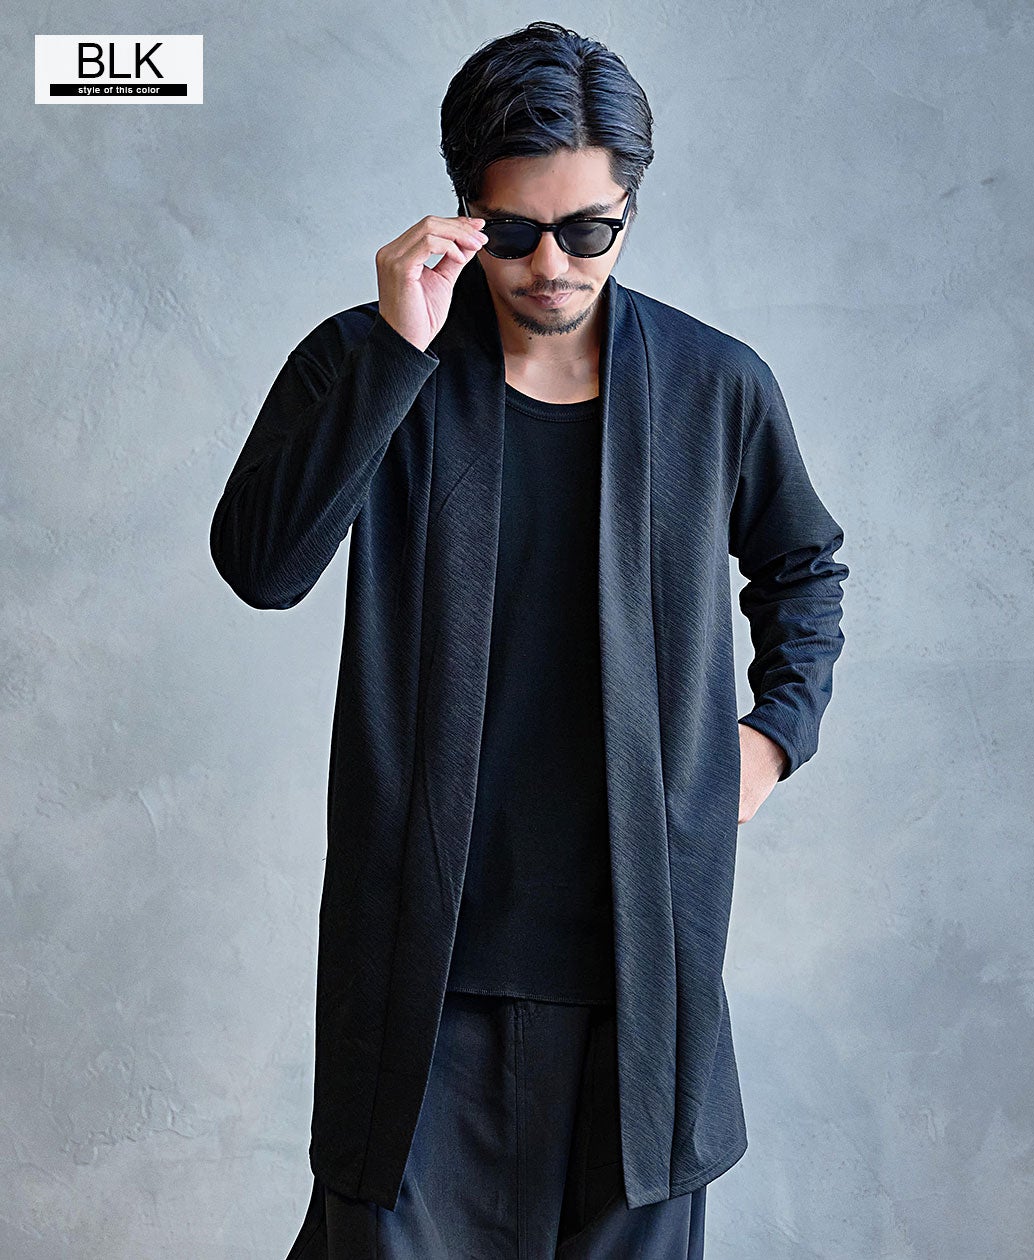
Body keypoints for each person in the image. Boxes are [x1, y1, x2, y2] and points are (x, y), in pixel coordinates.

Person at [210, 20, 849, 1259]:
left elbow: (802, 565)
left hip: (639, 975)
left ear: (630, 212)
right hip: (423, 973)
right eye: (515, 232)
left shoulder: (714, 386)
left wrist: (772, 738)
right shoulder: (367, 360)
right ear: (465, 212)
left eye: (589, 230)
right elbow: (263, 566)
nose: (554, 264)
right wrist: (395, 351)